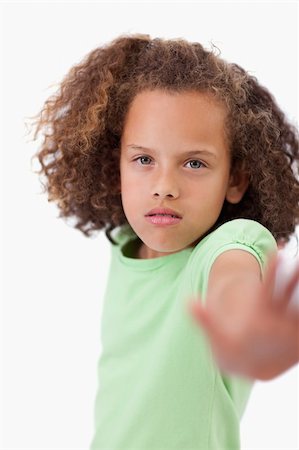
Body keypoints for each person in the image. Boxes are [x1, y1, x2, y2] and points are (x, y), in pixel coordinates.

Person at [28, 33, 299, 450]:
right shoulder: (125, 243)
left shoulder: (228, 246)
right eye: (144, 160)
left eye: (194, 163)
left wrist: (248, 331)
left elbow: (234, 283)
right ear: (113, 163)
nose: (164, 187)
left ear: (235, 179)